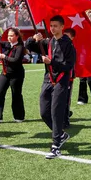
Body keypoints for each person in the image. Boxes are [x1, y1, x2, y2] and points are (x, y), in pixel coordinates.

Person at [26, 15, 75, 160]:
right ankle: (60, 134)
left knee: (56, 112)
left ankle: (55, 146)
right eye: (51, 26)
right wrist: (33, 39)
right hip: (48, 79)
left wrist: (52, 62)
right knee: (43, 112)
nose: (52, 28)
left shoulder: (68, 44)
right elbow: (29, 46)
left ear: (62, 27)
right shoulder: (48, 41)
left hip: (61, 81)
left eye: (55, 26)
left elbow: (69, 66)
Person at [0, 27, 26, 123]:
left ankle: (19, 116)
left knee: (16, 94)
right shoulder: (8, 44)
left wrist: (5, 57)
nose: (9, 38)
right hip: (5, 73)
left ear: (17, 36)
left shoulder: (20, 47)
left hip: (16, 74)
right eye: (8, 36)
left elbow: (16, 60)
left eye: (11, 36)